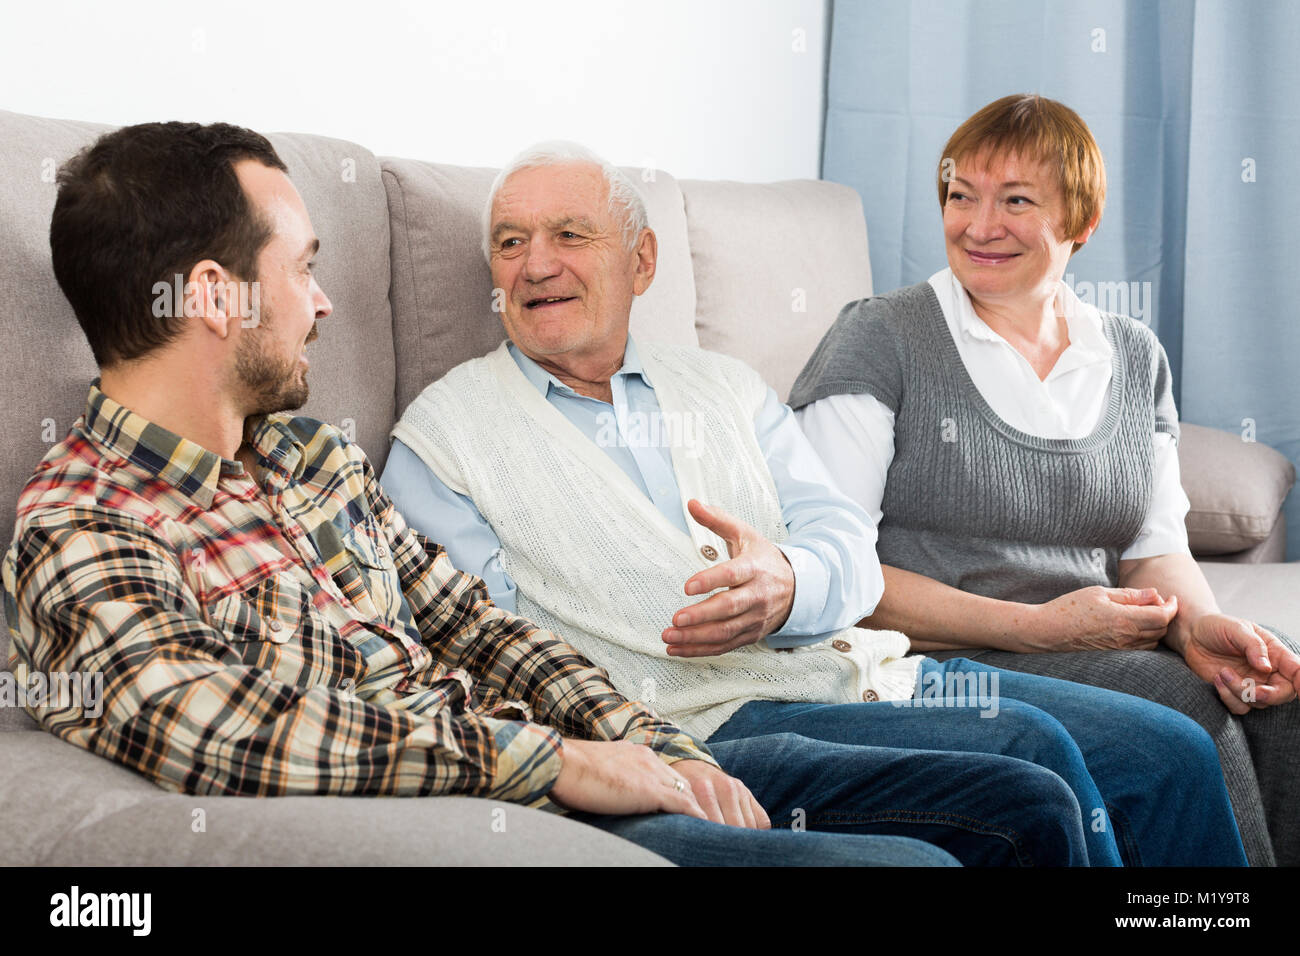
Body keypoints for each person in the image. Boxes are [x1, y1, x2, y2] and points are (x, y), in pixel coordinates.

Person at [2, 120, 1002, 869]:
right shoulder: (84, 520)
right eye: (302, 267)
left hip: (570, 762)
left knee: (1019, 799)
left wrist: (638, 737)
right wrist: (549, 762)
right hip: (490, 805)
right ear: (215, 297)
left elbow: (479, 626)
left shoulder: (313, 460)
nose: (323, 301)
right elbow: (206, 723)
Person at [382, 139, 1247, 866]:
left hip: (862, 670)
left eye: (570, 234)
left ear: (640, 261)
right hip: (704, 721)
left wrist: (789, 585)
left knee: (1168, 752)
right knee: (1031, 754)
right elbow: (480, 652)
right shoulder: (443, 437)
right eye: (509, 243)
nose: (536, 265)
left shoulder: (725, 387)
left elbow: (844, 546)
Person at [788, 93, 1300, 867]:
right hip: (944, 656)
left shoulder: (1132, 355)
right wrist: (1043, 628)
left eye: (1016, 202)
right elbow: (830, 572)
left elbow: (1155, 549)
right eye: (962, 196)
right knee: (1191, 708)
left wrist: (1197, 629)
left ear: (1080, 223)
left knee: (1280, 690)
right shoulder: (883, 338)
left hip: (1096, 643)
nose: (979, 225)